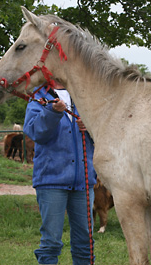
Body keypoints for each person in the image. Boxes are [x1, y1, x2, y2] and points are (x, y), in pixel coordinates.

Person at [23, 81, 97, 265]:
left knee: (85, 242)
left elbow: (106, 134)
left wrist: (91, 127)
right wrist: (52, 112)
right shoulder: (39, 96)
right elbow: (34, 132)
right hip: (51, 180)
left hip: (83, 181)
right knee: (51, 242)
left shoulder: (83, 94)